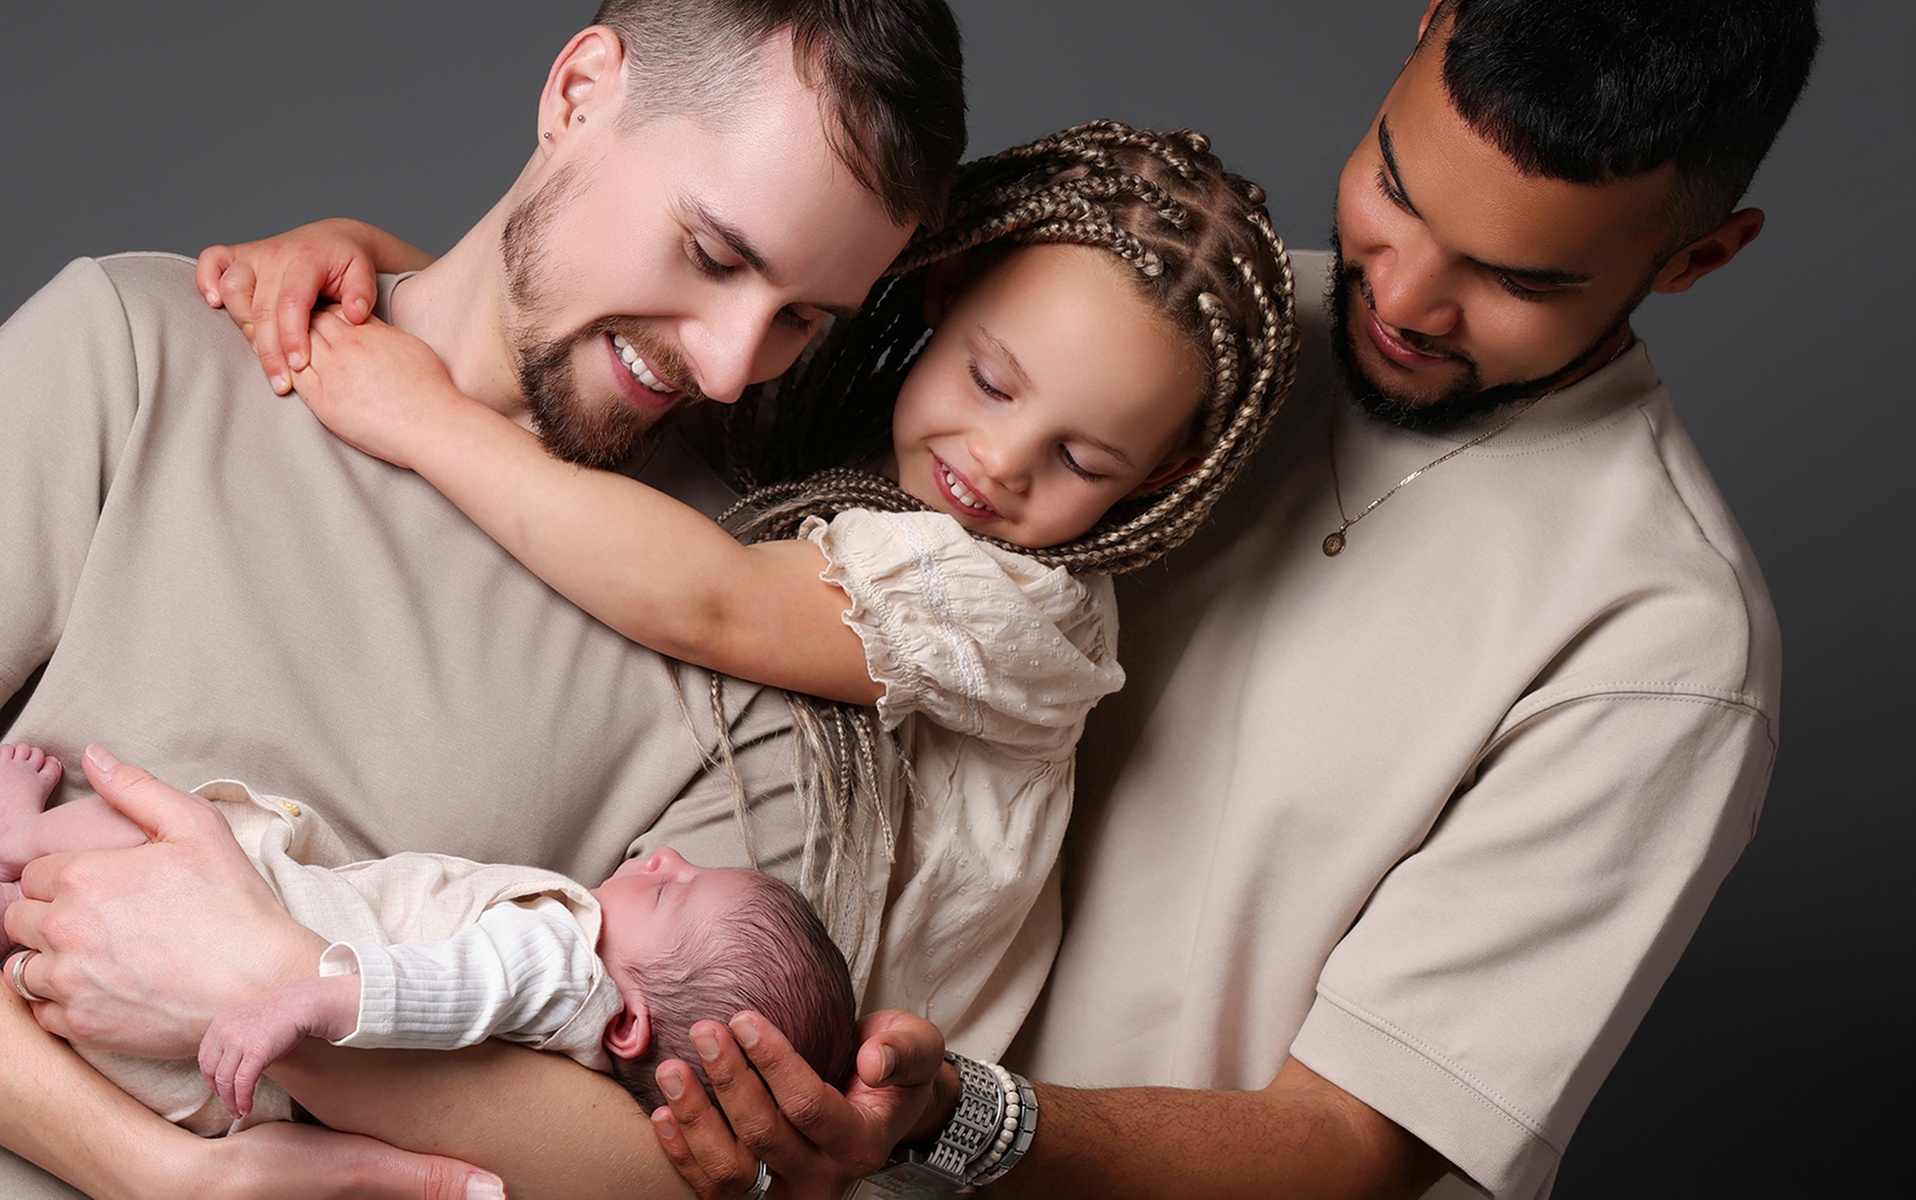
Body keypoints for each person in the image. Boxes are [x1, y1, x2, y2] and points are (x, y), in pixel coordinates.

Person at [628, 2, 1820, 1198]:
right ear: (1425, 26)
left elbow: (1358, 1143)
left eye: (1515, 279)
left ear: (1697, 258)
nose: (1404, 297)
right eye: (1398, 194)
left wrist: (948, 1118)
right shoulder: (1168, 323)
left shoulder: (1663, 645)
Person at [0, 1, 964, 1197]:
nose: (725, 365)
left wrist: (268, 975)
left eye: (800, 322)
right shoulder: (138, 353)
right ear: (577, 96)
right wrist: (156, 1172)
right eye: (715, 255)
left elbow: (677, 1179)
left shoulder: (752, 649)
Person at [261, 118, 1296, 1059]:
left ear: (1157, 476)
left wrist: (422, 418)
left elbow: (712, 600)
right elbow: (618, 337)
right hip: (635, 983)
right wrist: (370, 260)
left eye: (1081, 460)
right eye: (990, 383)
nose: (999, 461)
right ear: (948, 287)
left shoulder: (1022, 612)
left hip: (800, 1093)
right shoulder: (841, 423)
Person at [0, 742, 854, 1135]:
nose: (665, 859)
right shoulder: (568, 1071)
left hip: (274, 959)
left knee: (142, 832)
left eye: (673, 894)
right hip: (219, 1091)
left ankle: (17, 842)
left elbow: (449, 988)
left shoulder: (560, 963)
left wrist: (303, 1002)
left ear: (629, 1025)